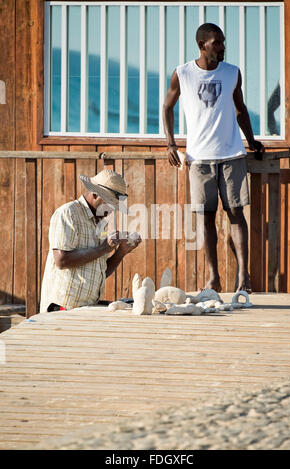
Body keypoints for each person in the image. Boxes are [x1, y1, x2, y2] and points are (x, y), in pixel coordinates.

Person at [163, 23, 264, 294]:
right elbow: (167, 107)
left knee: (236, 214)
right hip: (198, 158)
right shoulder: (182, 73)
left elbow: (240, 109)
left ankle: (244, 276)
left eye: (222, 41)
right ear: (202, 45)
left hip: (232, 155)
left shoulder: (232, 73)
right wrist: (171, 144)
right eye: (216, 42)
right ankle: (213, 278)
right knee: (206, 218)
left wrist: (251, 140)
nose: (222, 46)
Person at [40, 169, 141, 312]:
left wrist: (121, 252)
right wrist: (104, 248)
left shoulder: (102, 223)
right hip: (62, 308)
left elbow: (99, 271)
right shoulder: (69, 213)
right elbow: (61, 261)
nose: (112, 210)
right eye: (110, 204)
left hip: (86, 308)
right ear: (95, 194)